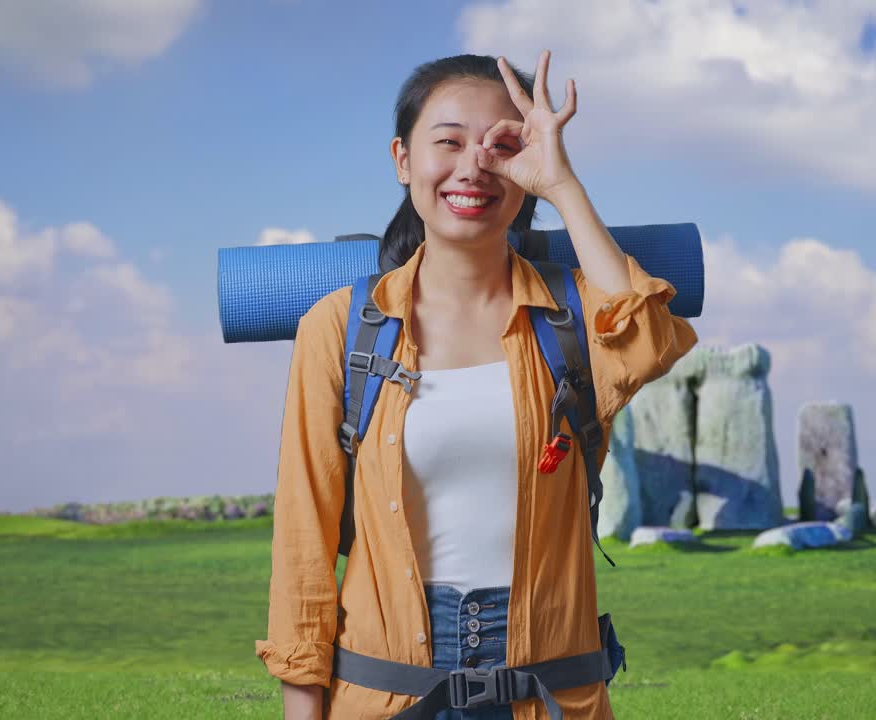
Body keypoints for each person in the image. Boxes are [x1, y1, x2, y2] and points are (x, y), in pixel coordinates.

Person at [256, 50, 699, 719]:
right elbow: (303, 547)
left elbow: (646, 342)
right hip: (386, 691)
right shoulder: (340, 329)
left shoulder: (570, 317)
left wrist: (562, 184)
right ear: (403, 160)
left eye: (503, 144)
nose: (474, 166)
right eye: (449, 142)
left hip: (550, 692)